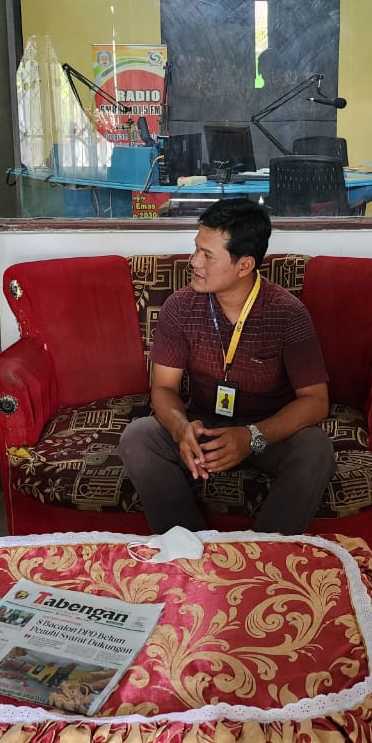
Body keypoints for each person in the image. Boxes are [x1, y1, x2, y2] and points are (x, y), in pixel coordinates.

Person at [119, 198, 334, 535]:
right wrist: (180, 429)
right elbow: (163, 388)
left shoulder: (287, 313)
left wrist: (252, 437)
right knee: (138, 437)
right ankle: (189, 546)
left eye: (207, 255)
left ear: (244, 265)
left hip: (265, 434)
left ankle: (262, 553)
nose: (194, 261)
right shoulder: (180, 307)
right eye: (196, 249)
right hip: (203, 428)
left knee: (315, 448)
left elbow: (316, 401)